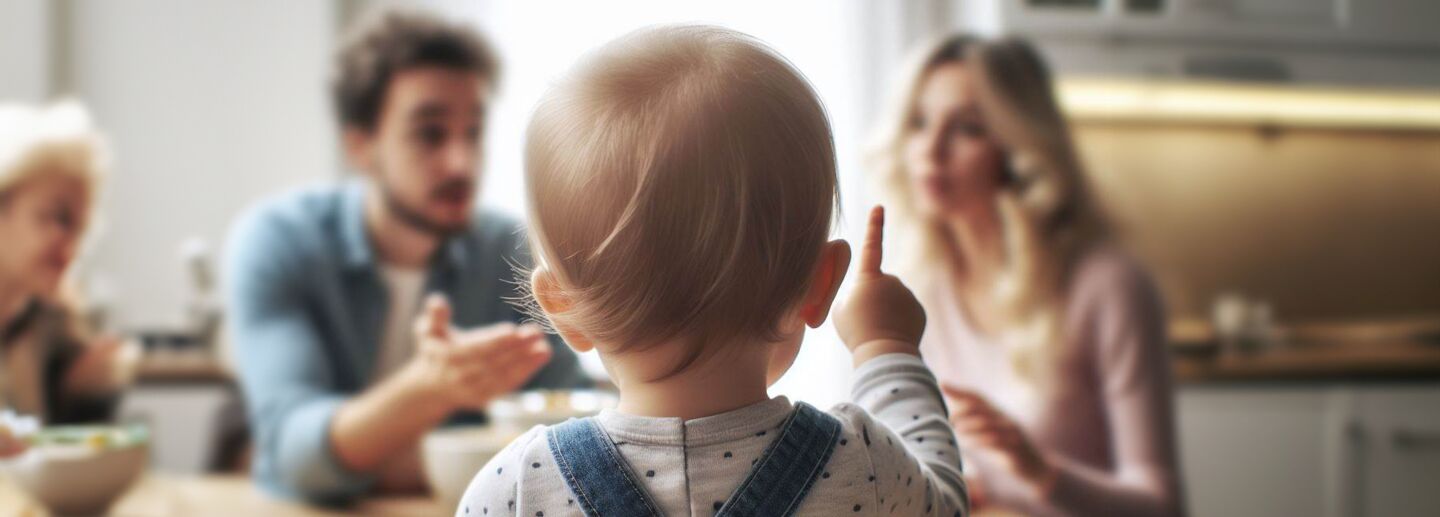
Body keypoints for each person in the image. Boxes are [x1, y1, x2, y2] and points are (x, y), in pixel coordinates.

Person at [457, 26, 969, 517]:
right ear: (820, 285)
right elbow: (944, 501)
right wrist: (886, 348)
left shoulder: (516, 486)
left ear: (561, 305)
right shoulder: (866, 467)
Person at [224, 11, 588, 503]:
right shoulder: (279, 239)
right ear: (361, 146)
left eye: (474, 132)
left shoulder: (512, 252)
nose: (461, 162)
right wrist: (431, 389)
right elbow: (292, 456)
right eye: (430, 133)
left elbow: (579, 432)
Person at [868, 34, 1185, 516]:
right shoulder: (921, 284)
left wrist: (1039, 472)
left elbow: (1162, 503)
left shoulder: (1107, 285)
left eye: (968, 128)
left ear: (1017, 151)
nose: (930, 149)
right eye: (918, 122)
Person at [0, 101, 133, 457]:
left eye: (80, 228)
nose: (71, 246)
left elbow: (66, 463)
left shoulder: (53, 326)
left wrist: (87, 394)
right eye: (58, 218)